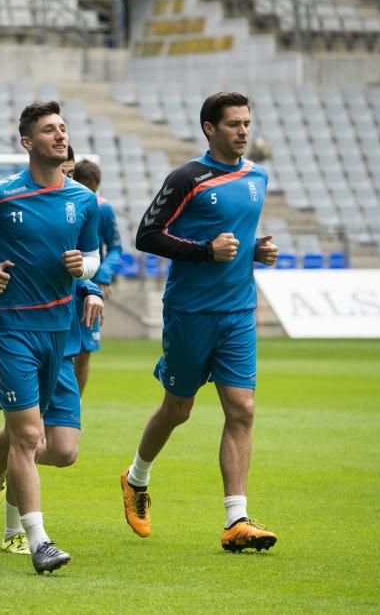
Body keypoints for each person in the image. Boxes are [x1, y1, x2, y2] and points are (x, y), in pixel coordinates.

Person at [0, 101, 100, 574]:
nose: (60, 136)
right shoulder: (0, 194)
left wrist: (84, 269)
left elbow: (93, 257)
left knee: (59, 448)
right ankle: (38, 541)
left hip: (61, 333)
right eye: (49, 130)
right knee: (29, 435)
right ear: (27, 142)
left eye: (63, 128)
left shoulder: (83, 200)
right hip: (11, 328)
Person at [121, 92, 279, 553]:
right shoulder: (187, 178)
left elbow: (239, 238)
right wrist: (204, 251)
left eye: (247, 123)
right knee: (178, 409)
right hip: (190, 311)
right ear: (210, 129)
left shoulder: (257, 177)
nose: (243, 131)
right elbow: (146, 235)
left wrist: (255, 251)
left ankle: (237, 520)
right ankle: (136, 480)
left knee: (242, 408)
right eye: (233, 124)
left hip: (237, 312)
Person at [71, 158, 121, 394]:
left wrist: (103, 274)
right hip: (64, 284)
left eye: (94, 188)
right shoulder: (65, 205)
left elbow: (116, 247)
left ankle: (73, 408)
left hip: (88, 287)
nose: (91, 193)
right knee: (62, 351)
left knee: (84, 351)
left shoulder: (103, 208)